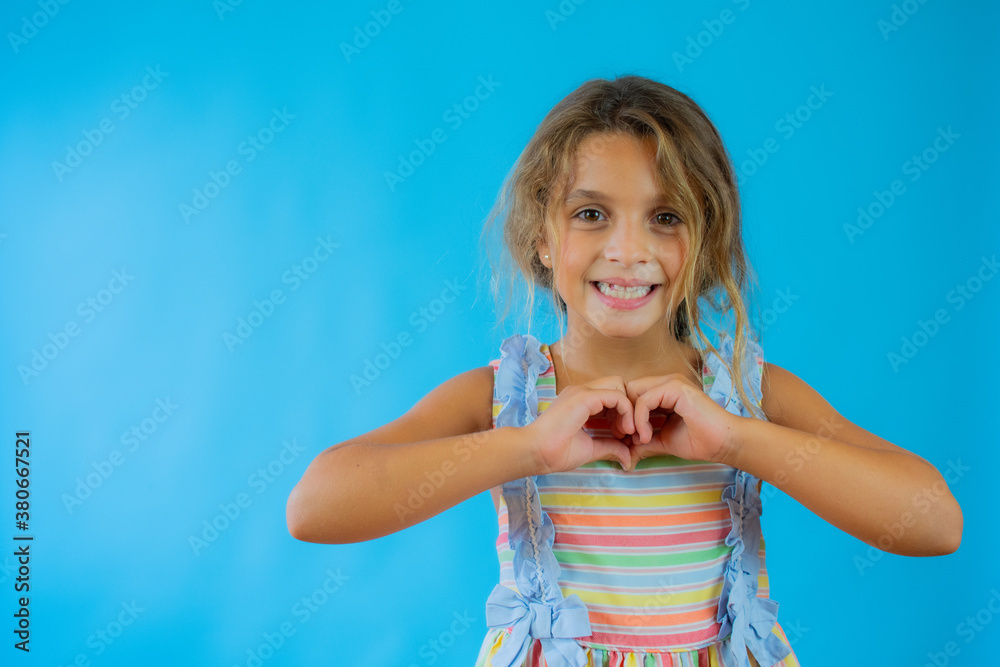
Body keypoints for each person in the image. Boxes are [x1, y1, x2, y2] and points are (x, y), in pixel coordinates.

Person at [285, 74, 963, 667]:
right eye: (590, 214)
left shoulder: (748, 392)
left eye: (665, 216)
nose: (627, 249)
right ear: (542, 239)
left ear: (705, 240)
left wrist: (734, 438)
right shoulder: (506, 397)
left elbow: (936, 521)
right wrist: (528, 446)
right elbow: (315, 505)